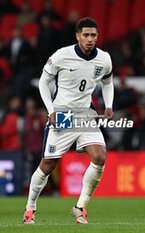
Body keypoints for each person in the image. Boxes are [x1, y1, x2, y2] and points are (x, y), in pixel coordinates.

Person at [23, 18, 114, 225]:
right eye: (86, 35)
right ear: (78, 36)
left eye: (93, 35)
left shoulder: (105, 59)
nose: (90, 39)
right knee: (47, 165)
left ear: (97, 36)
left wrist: (108, 105)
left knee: (99, 156)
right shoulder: (61, 56)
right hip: (62, 115)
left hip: (86, 114)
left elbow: (108, 82)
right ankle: (30, 209)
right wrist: (51, 110)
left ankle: (80, 207)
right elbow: (43, 82)